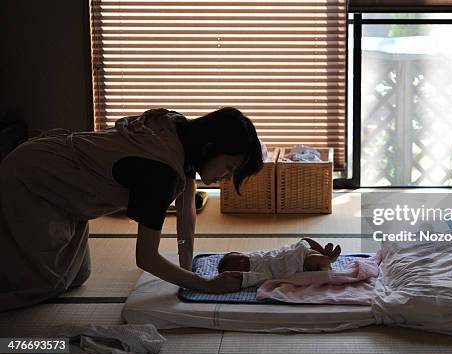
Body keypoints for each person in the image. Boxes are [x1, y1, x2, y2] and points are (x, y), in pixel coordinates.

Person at [0, 107, 262, 311]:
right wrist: (204, 284)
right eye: (228, 167)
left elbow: (186, 212)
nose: (226, 178)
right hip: (34, 178)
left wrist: (187, 270)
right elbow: (146, 258)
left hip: (69, 188)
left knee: (77, 276)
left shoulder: (184, 135)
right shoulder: (160, 172)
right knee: (46, 285)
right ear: (210, 148)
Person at [216, 238, 342, 291]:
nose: (242, 260)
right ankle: (329, 259)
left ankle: (323, 252)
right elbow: (256, 279)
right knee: (312, 260)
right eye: (238, 263)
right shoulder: (255, 274)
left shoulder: (253, 255)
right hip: (295, 265)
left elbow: (270, 253)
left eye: (239, 256)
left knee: (306, 240)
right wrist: (242, 277)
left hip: (293, 251)